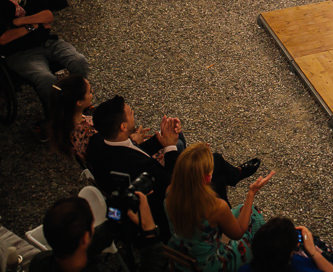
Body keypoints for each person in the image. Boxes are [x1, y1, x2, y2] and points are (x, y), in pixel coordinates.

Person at [85, 96, 260, 238]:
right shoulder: (141, 167)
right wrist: (169, 146)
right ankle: (223, 216)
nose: (133, 113)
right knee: (214, 164)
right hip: (164, 210)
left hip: (134, 196)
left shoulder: (97, 142)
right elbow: (173, 181)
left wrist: (159, 141)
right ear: (123, 126)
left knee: (211, 163)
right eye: (130, 112)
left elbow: (128, 150)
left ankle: (232, 179)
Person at [0, 0, 88, 132]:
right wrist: (34, 25)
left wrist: (20, 22)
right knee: (46, 80)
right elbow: (3, 38)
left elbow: (48, 16)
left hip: (48, 42)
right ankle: (56, 119)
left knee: (79, 61)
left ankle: (79, 106)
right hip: (20, 53)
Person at [166, 143, 273, 272]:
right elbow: (238, 233)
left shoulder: (170, 192)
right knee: (254, 216)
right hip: (208, 264)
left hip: (182, 255)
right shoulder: (215, 206)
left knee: (241, 209)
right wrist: (251, 193)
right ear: (207, 178)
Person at [29, 193, 167, 272]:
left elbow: (87, 247)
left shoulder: (40, 262)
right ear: (85, 238)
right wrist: (150, 232)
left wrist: (114, 221)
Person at [240, 217, 333, 272]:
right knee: (316, 244)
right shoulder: (298, 264)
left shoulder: (245, 269)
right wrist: (313, 251)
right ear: (290, 252)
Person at [50, 75, 96, 162]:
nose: (92, 92)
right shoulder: (87, 133)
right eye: (89, 92)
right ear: (79, 102)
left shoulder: (63, 122)